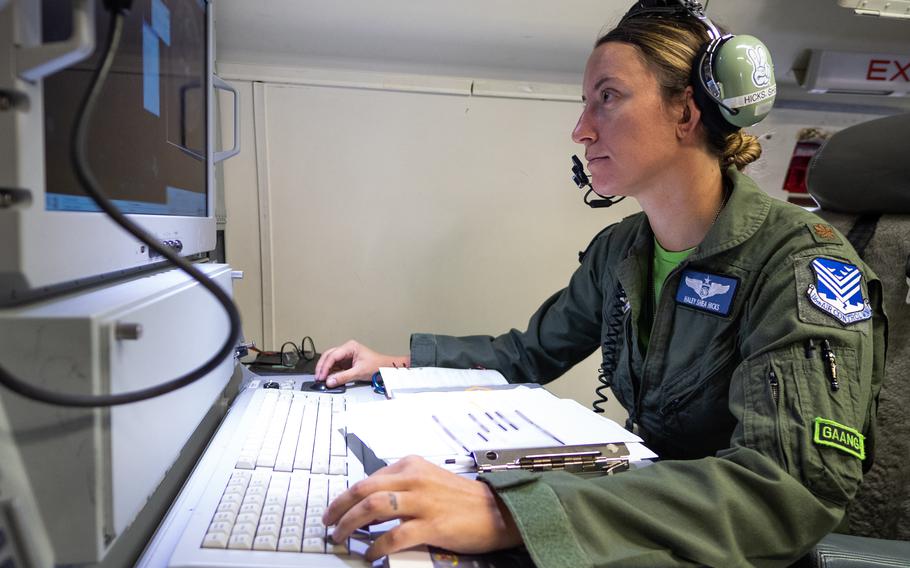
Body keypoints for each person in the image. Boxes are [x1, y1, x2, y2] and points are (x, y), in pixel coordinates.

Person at [314, 3, 887, 566]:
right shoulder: (621, 250)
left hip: (726, 543)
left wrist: (513, 513)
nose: (580, 129)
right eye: (584, 104)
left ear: (686, 113)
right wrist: (397, 363)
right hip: (642, 510)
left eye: (607, 98)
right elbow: (528, 354)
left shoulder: (797, 263)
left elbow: (784, 492)